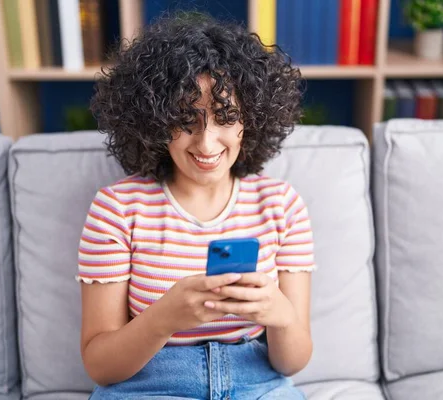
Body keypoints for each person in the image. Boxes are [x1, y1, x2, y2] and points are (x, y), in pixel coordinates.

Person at [76, 12, 316, 400]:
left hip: (256, 381)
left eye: (226, 117)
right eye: (187, 119)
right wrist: (165, 318)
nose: (206, 144)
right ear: (156, 121)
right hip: (150, 385)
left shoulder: (282, 205)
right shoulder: (117, 208)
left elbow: (293, 362)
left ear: (250, 120)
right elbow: (100, 366)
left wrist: (279, 314)